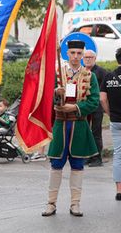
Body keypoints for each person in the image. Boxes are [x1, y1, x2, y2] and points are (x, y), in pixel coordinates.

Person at [42, 40, 100, 217]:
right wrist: (55, 94)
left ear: (83, 55)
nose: (75, 56)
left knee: (77, 165)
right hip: (60, 124)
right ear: (67, 53)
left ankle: (75, 204)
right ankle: (51, 204)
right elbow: (46, 96)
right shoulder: (58, 73)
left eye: (79, 53)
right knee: (56, 165)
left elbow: (94, 101)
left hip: (79, 125)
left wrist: (75, 108)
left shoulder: (90, 76)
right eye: (72, 53)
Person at [100, 48, 121, 201]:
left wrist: (109, 113)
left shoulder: (109, 76)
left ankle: (119, 190)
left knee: (118, 155)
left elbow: (102, 99)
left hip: (115, 120)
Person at [83, 49, 107, 167]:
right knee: (86, 132)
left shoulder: (101, 72)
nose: (87, 59)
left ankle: (97, 158)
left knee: (96, 132)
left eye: (90, 57)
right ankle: (89, 156)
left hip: (97, 107)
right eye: (86, 57)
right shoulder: (81, 72)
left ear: (95, 59)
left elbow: (106, 90)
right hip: (84, 107)